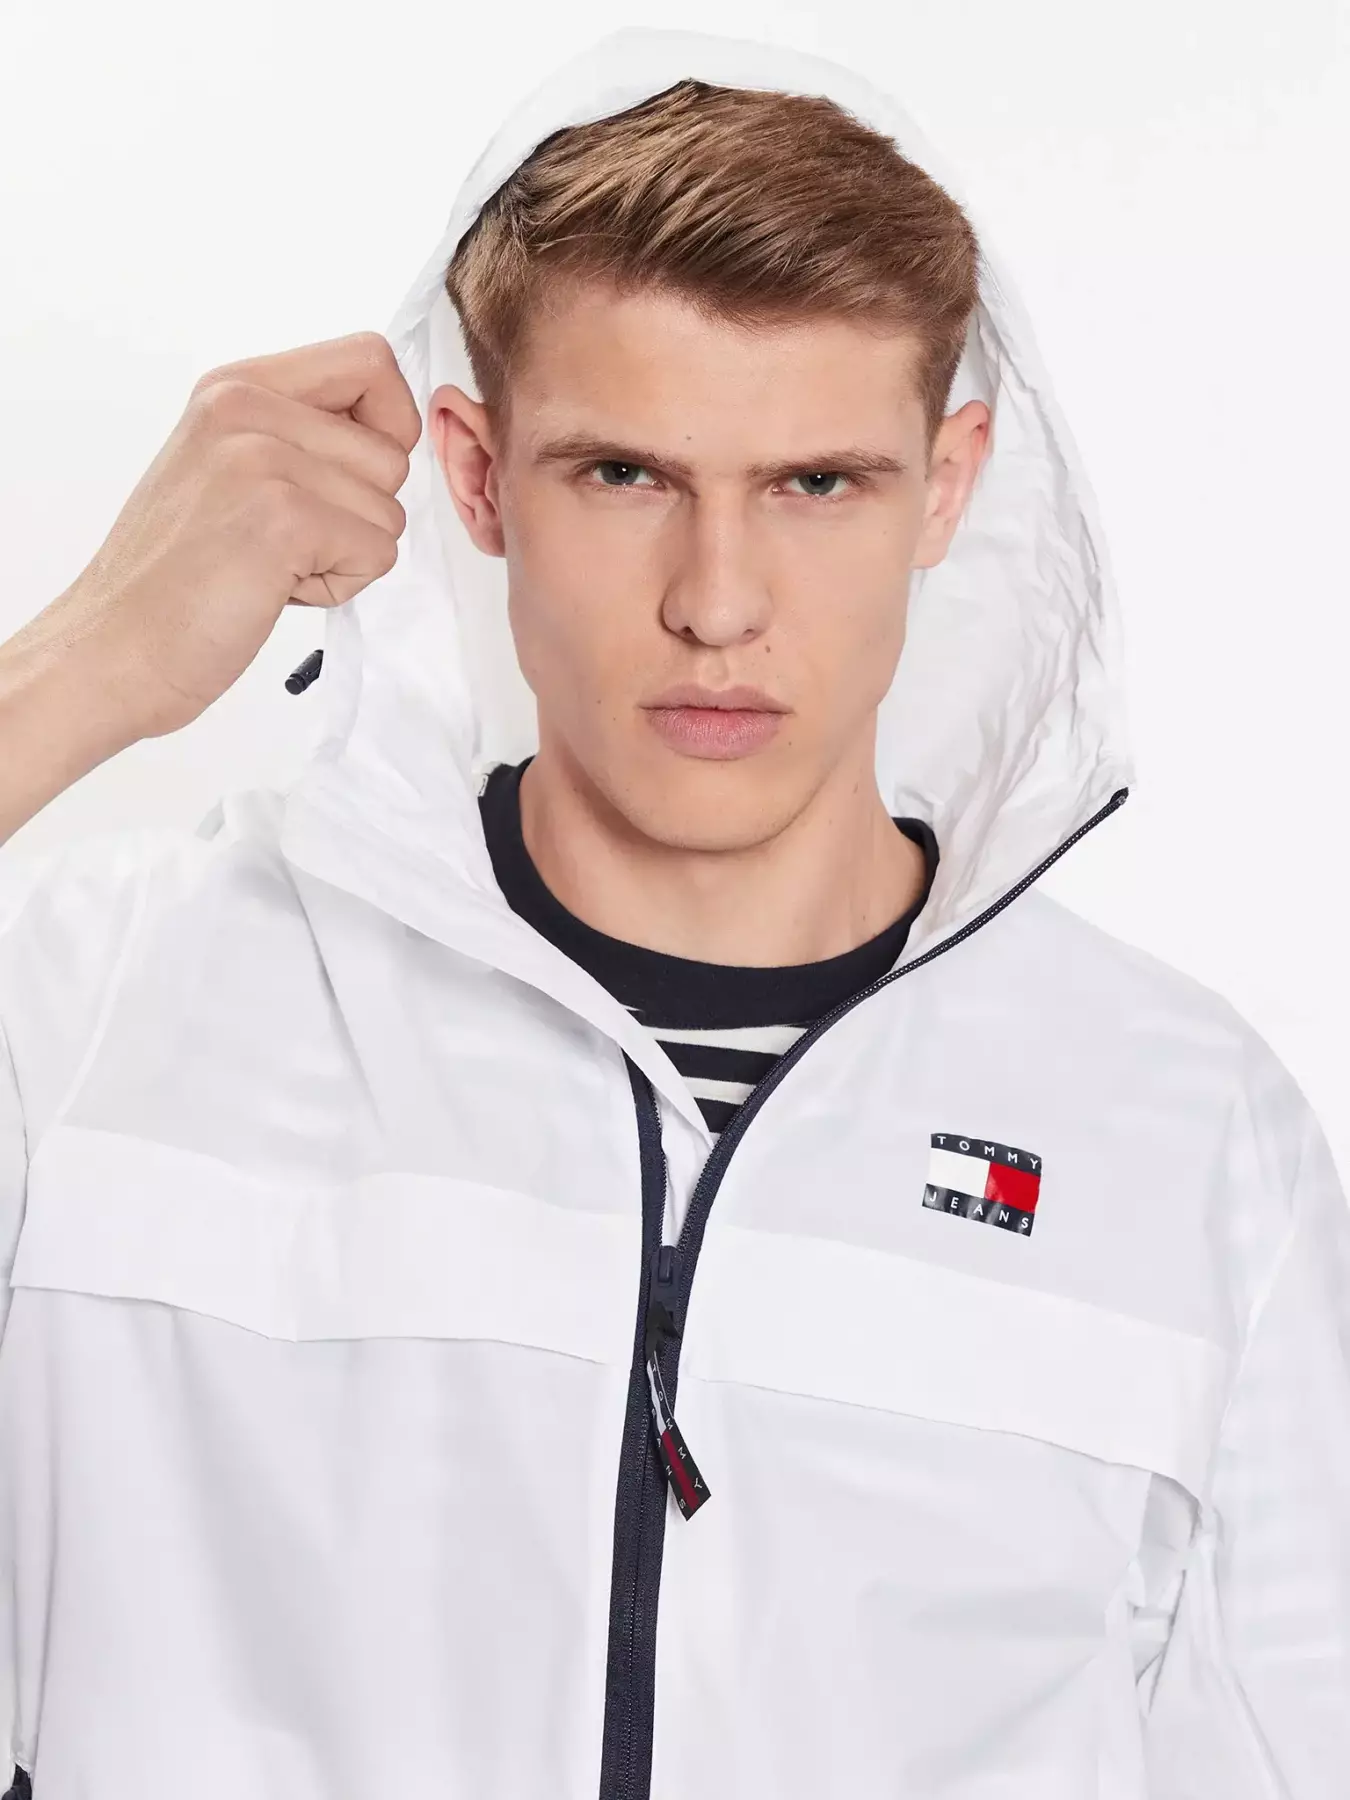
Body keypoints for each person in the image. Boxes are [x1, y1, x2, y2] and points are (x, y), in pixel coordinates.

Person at [0, 24, 1345, 1800]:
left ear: (945, 486)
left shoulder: (1187, 1135)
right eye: (623, 475)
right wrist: (83, 669)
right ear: (475, 476)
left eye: (816, 484)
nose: (717, 603)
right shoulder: (95, 1011)